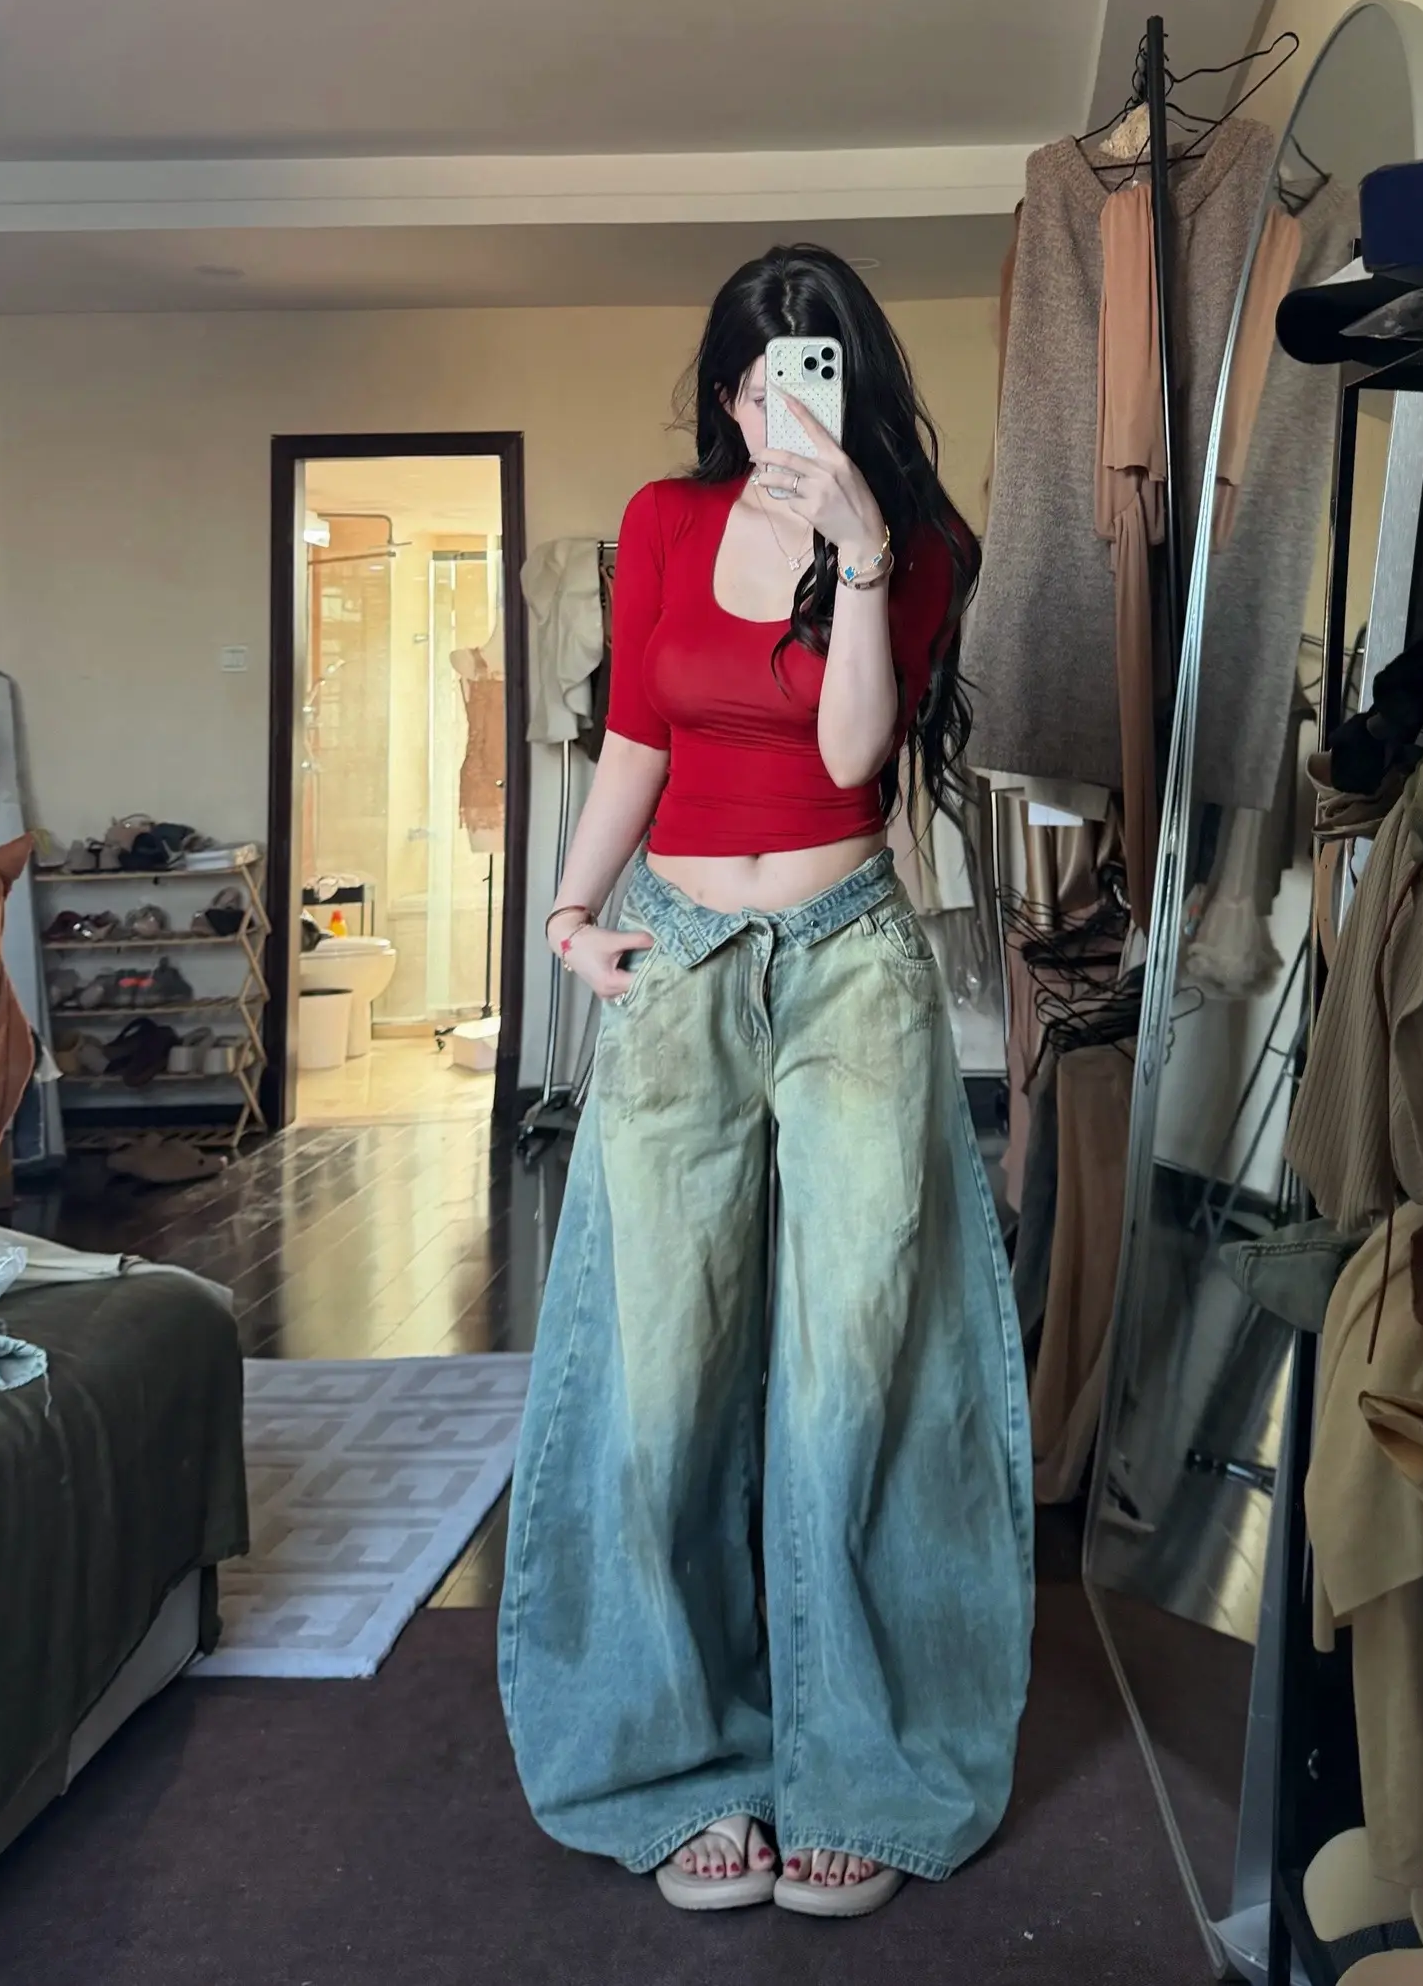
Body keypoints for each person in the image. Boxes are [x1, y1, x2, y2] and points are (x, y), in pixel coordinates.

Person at [499, 244, 1033, 1922]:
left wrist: (861, 556)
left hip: (848, 962)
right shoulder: (664, 522)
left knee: (856, 1367)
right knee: (659, 1371)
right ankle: (679, 1758)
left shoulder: (921, 544)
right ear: (724, 389)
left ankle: (860, 1766)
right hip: (673, 958)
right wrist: (568, 916)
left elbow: (857, 754)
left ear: (848, 381)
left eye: (801, 373)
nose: (768, 407)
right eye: (746, 379)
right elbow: (638, 741)